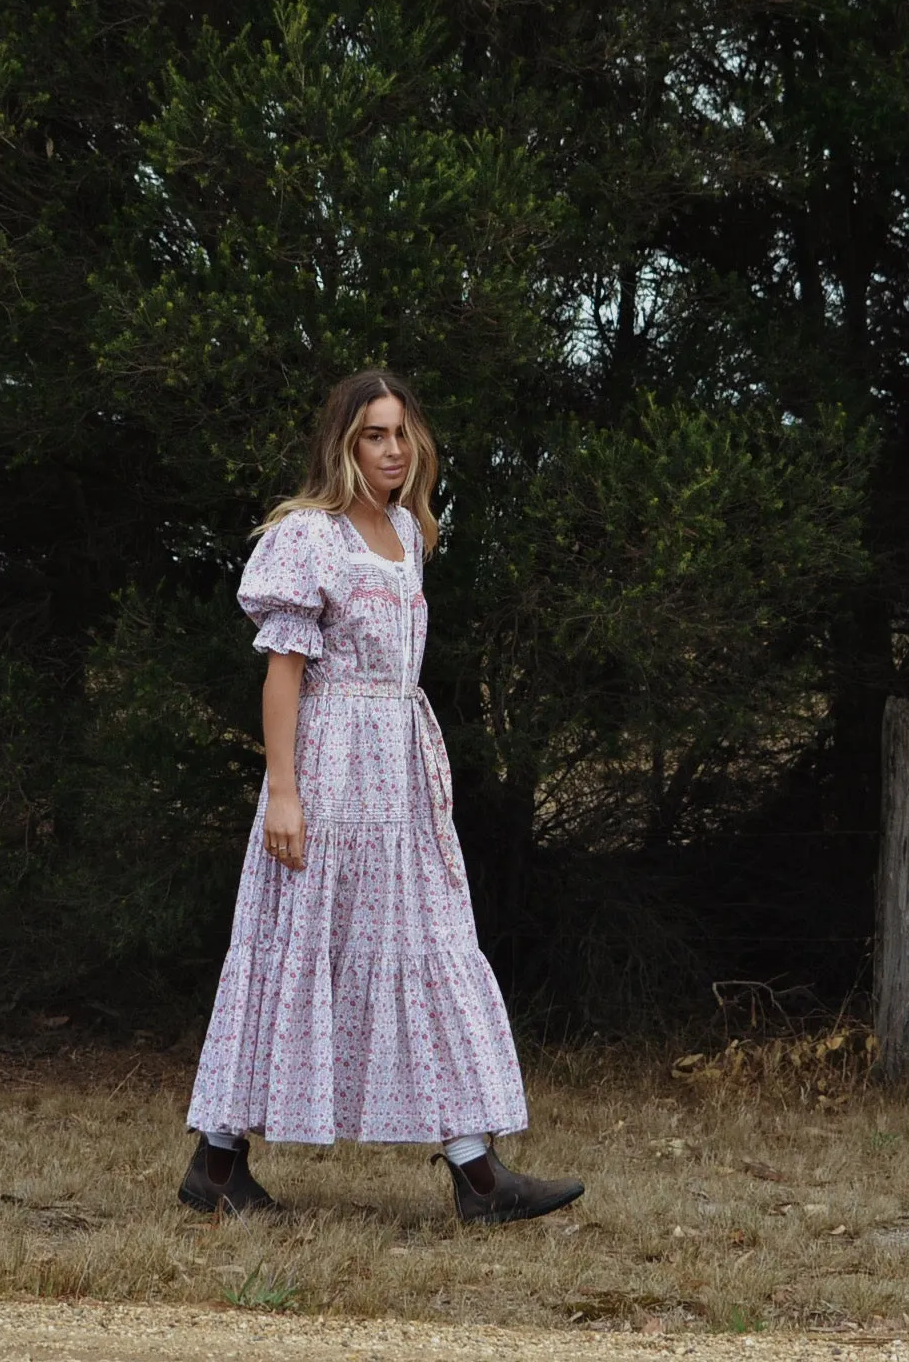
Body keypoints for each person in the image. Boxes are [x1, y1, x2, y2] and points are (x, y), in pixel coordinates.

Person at [179, 370, 583, 1225]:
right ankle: (217, 1165)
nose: (392, 450)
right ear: (343, 443)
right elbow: (283, 676)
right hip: (326, 773)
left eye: (401, 433)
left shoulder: (407, 527)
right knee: (297, 949)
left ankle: (478, 1175)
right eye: (374, 434)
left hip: (399, 772)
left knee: (431, 942)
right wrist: (283, 795)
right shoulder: (308, 538)